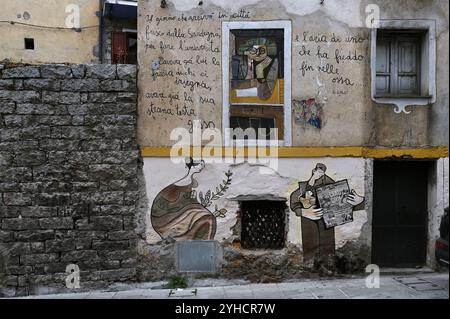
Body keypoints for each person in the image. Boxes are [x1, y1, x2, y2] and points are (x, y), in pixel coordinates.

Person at [290, 163, 365, 262]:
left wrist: (360, 201)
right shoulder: (303, 188)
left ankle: (328, 263)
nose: (319, 174)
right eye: (317, 171)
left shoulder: (331, 186)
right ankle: (310, 265)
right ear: (313, 171)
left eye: (321, 172)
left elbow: (343, 204)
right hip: (309, 225)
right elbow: (293, 202)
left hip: (327, 223)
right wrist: (303, 212)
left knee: (327, 250)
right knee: (310, 252)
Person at [151, 158, 216, 241]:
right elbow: (174, 200)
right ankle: (194, 241)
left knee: (208, 218)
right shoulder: (184, 182)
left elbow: (190, 202)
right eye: (200, 164)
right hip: (173, 215)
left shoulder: (191, 182)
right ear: (193, 166)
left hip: (187, 211)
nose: (202, 167)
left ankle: (198, 242)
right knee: (208, 218)